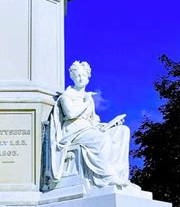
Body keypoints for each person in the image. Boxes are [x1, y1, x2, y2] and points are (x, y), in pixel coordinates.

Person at [50, 61, 135, 190]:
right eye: (77, 75)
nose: (80, 78)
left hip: (89, 128)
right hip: (74, 130)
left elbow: (93, 120)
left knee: (122, 131)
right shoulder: (67, 95)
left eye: (83, 75)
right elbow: (71, 114)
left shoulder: (86, 96)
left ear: (88, 78)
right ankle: (106, 176)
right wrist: (86, 101)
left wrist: (107, 126)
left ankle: (119, 174)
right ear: (72, 77)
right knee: (101, 139)